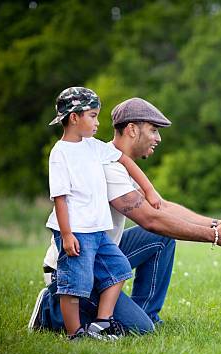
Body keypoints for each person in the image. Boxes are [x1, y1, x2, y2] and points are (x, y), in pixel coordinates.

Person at [29, 97, 221, 335]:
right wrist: (216, 236)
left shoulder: (116, 161)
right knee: (140, 329)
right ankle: (51, 307)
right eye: (153, 130)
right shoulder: (106, 165)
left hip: (102, 253)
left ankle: (144, 313)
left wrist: (214, 224)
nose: (158, 138)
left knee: (162, 239)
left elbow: (162, 208)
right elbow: (151, 219)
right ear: (131, 129)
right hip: (76, 259)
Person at [46, 87, 161, 340]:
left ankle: (101, 323)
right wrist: (66, 234)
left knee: (119, 269)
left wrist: (149, 190)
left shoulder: (93, 147)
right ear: (74, 117)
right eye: (93, 116)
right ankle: (72, 331)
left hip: (98, 231)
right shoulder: (60, 154)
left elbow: (125, 161)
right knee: (76, 283)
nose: (99, 122)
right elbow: (60, 198)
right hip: (76, 230)